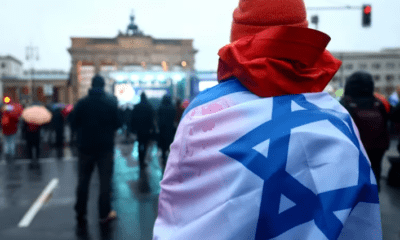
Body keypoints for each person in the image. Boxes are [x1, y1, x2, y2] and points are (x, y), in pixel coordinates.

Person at [152, 0, 382, 239]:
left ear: (238, 38)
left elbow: (178, 212)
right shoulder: (339, 120)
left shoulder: (201, 114)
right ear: (301, 37)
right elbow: (360, 222)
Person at [68, 75, 122, 229]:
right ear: (103, 86)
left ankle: (80, 212)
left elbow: (72, 122)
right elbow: (118, 123)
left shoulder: (81, 103)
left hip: (85, 148)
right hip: (105, 149)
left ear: (91, 86)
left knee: (83, 181)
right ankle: (104, 214)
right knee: (105, 183)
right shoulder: (110, 103)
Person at [340, 71, 390, 192]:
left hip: (354, 147)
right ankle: (375, 194)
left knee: (354, 175)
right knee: (375, 170)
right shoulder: (379, 102)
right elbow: (388, 119)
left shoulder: (345, 102)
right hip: (378, 146)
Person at [130, 92, 155, 171]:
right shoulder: (149, 106)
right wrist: (153, 128)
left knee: (140, 143)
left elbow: (133, 119)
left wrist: (132, 129)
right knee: (145, 144)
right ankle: (143, 159)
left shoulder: (136, 107)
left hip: (138, 129)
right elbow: (152, 119)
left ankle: (140, 159)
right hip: (147, 129)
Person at [157, 95, 176, 172]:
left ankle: (164, 156)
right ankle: (170, 158)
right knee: (169, 144)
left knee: (163, 145)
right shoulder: (172, 108)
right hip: (170, 129)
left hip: (162, 129)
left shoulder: (161, 107)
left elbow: (158, 118)